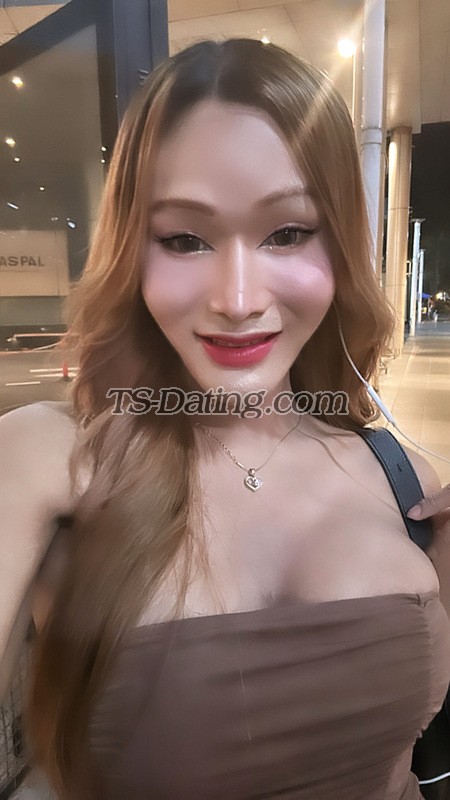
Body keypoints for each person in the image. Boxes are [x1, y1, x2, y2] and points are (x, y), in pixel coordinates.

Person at [1, 38, 449, 800]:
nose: (237, 299)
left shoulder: (400, 476)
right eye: (184, 239)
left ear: (340, 246)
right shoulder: (49, 459)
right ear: (132, 254)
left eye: (287, 233)